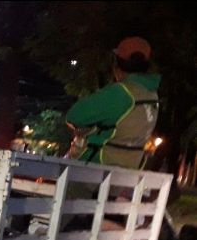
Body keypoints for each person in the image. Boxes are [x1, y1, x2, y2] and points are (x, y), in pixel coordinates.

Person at [66, 36, 160, 170]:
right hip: (130, 169)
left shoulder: (121, 92)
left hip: (96, 168)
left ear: (117, 63)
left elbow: (74, 116)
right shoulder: (151, 94)